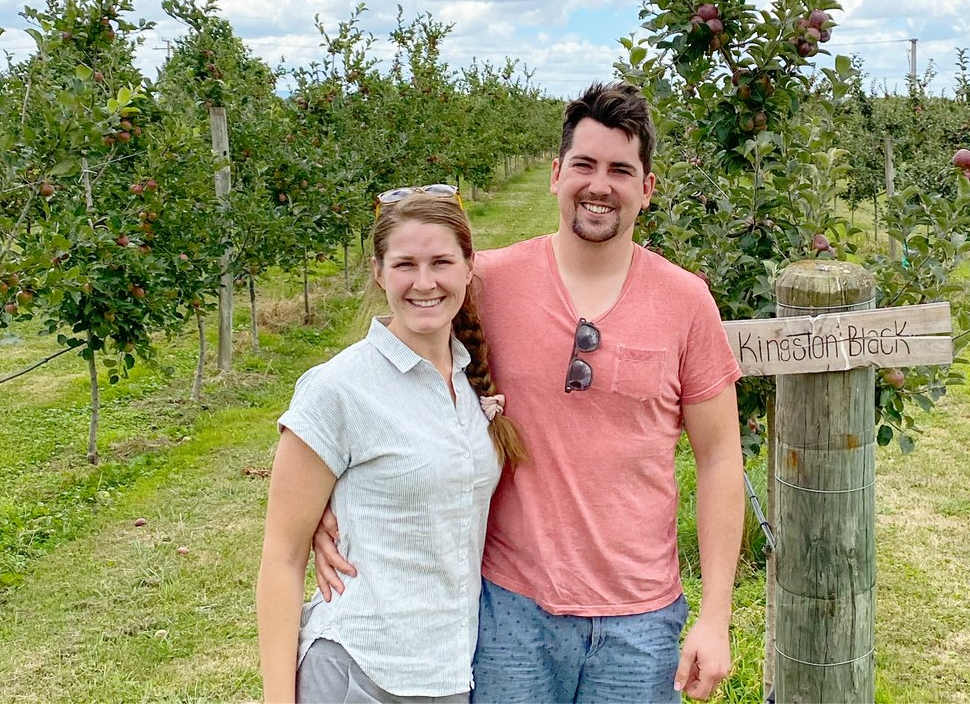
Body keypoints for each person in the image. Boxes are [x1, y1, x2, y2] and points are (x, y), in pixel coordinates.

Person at [316, 82, 745, 702]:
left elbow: (720, 457)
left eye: (621, 170)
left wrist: (716, 616)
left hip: (641, 621)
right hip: (510, 609)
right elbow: (379, 374)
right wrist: (318, 500)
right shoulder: (486, 281)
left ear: (647, 189)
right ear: (556, 174)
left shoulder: (685, 301)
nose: (600, 185)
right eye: (585, 165)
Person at [257, 190, 525, 703]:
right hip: (361, 670)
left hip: (450, 673)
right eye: (405, 264)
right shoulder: (338, 389)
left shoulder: (472, 381)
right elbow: (282, 559)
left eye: (441, 262)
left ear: (470, 267)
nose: (424, 283)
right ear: (379, 271)